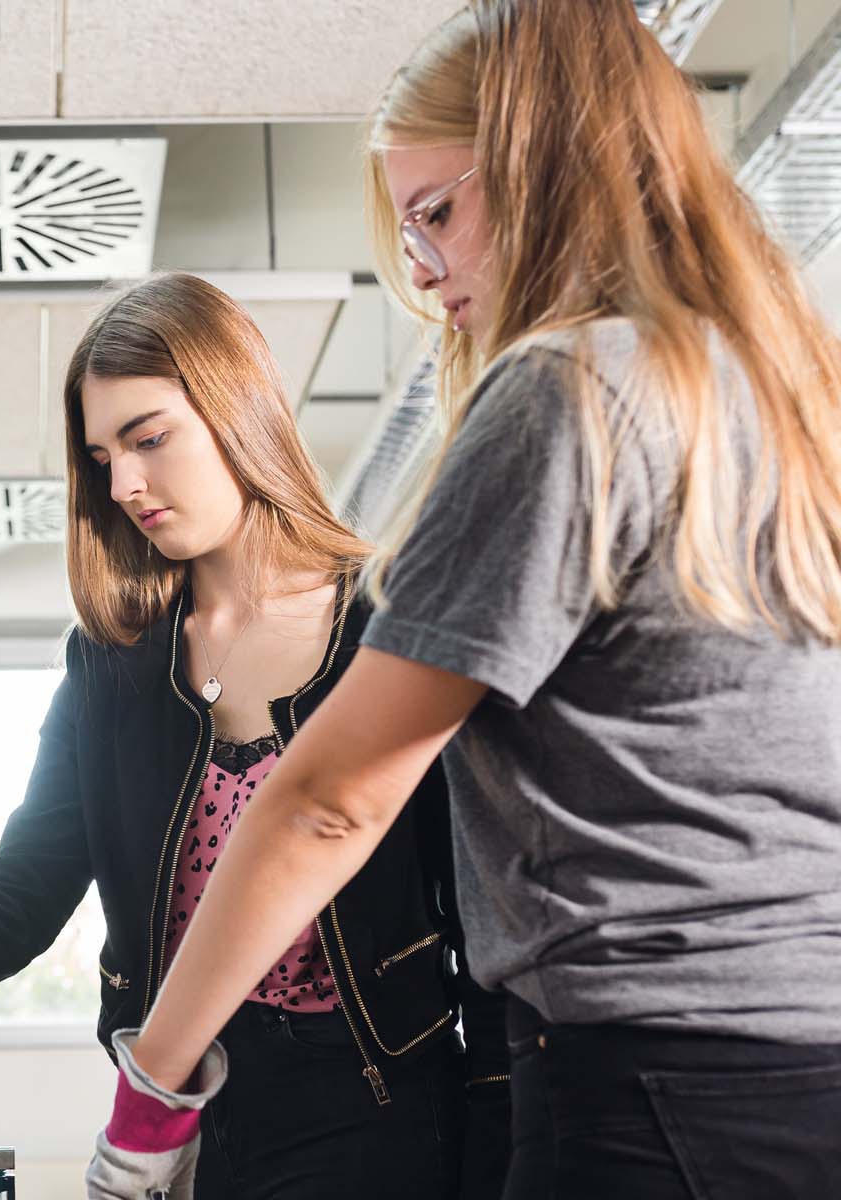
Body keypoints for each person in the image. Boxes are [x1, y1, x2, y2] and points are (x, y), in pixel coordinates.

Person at [84, 3, 841, 1198]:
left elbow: (332, 801)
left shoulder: (570, 392)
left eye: (438, 211)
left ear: (549, 163)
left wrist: (150, 1102)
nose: (425, 265)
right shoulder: (775, 390)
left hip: (644, 1078)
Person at [0, 273, 510, 1199]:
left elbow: (485, 939)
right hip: (177, 1125)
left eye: (149, 438)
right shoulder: (113, 668)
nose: (123, 483)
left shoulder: (389, 624)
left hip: (384, 1117)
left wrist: (501, 1155)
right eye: (101, 456)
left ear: (237, 407)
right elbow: (8, 910)